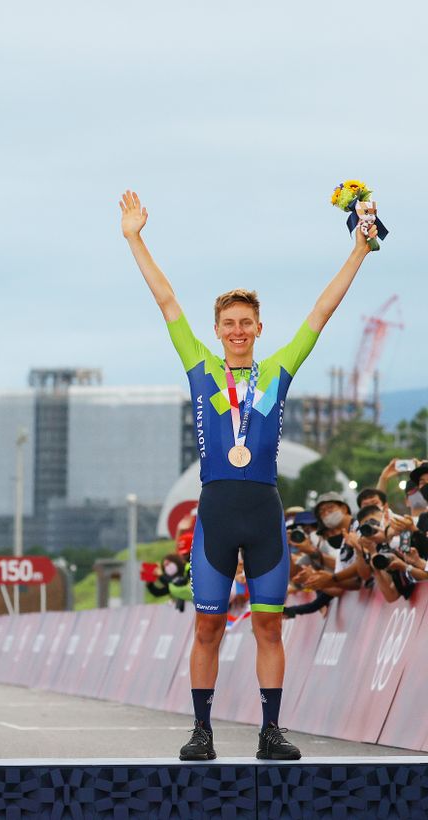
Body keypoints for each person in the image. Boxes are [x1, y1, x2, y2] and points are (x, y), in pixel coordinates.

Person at [120, 188, 375, 761]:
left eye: (246, 323)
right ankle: (202, 731)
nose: (237, 330)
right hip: (216, 513)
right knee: (207, 630)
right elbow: (166, 301)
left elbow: (321, 312)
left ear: (259, 328)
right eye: (228, 323)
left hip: (262, 514)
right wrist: (136, 238)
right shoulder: (200, 368)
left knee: (268, 630)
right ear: (217, 330)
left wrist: (358, 252)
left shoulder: (277, 371)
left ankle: (270, 732)